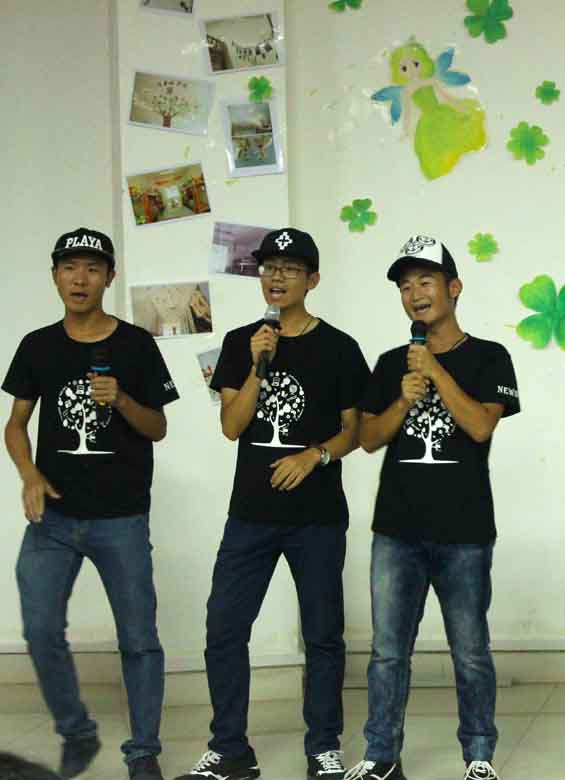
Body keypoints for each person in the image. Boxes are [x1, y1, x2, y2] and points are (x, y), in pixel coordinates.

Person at [175, 228, 370, 780]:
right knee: (224, 629)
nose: (277, 277)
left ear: (313, 279)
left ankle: (323, 747)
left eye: (290, 268)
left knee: (323, 635)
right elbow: (232, 426)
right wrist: (258, 367)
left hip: (317, 518)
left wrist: (314, 456)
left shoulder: (339, 347)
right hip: (250, 516)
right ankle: (230, 750)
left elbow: (354, 430)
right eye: (269, 267)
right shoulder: (242, 342)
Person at [3, 228, 178, 780]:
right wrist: (29, 474)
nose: (80, 279)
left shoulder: (136, 345)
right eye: (70, 268)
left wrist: (122, 399)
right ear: (55, 276)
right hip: (52, 519)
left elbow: (158, 428)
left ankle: (143, 752)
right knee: (39, 629)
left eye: (92, 269)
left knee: (139, 640)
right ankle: (77, 732)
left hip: (121, 518)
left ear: (109, 278)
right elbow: (16, 424)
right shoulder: (37, 345)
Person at [348, 235, 520, 780]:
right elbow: (369, 438)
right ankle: (381, 755)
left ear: (454, 287)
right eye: (405, 286)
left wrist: (436, 372)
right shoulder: (389, 364)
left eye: (425, 281)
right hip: (396, 531)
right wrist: (404, 397)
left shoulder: (490, 356)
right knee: (387, 652)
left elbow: (480, 426)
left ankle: (479, 756)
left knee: (469, 651)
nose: (414, 294)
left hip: (464, 531)